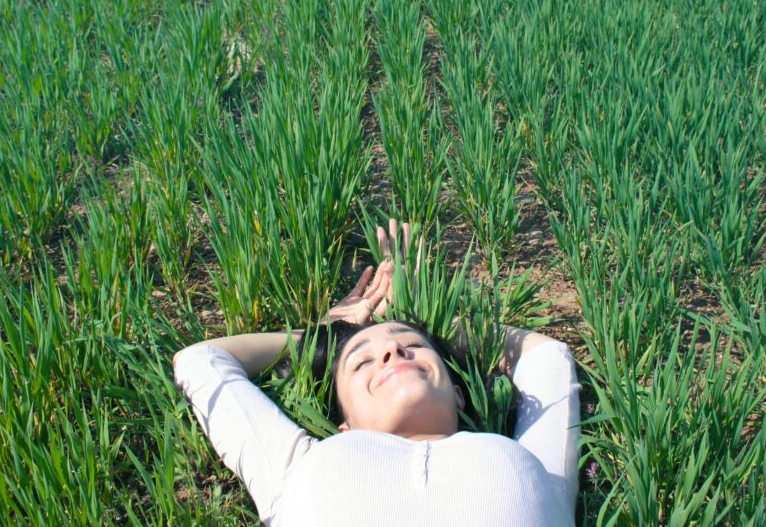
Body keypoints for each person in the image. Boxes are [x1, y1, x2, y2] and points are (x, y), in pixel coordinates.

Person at [173, 220, 581, 526]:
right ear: (345, 426)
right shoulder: (295, 465)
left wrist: (431, 312)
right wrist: (327, 335)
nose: (391, 348)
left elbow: (549, 358)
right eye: (361, 361)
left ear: (459, 393)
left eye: (415, 345)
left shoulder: (537, 468)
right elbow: (200, 360)